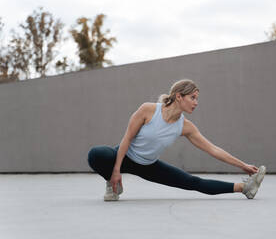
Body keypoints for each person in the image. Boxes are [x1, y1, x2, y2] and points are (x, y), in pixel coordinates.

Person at [88, 79, 266, 201]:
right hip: (125, 155)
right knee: (97, 154)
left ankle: (245, 188)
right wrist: (116, 171)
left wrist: (242, 165)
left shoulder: (185, 126)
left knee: (193, 183)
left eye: (197, 98)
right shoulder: (148, 110)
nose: (196, 102)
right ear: (179, 96)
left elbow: (213, 149)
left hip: (149, 165)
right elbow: (127, 138)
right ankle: (112, 185)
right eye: (193, 98)